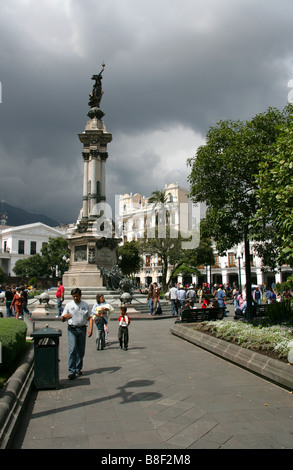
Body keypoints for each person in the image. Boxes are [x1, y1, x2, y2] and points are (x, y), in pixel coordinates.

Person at [62, 288, 93, 380]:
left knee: (81, 350)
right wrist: (64, 317)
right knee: (72, 349)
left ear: (80, 295)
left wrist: (91, 329)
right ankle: (72, 371)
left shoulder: (85, 305)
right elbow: (63, 318)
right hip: (72, 329)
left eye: (77, 296)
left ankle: (78, 368)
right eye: (74, 296)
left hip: (82, 329)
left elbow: (90, 317)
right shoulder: (69, 305)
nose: (75, 298)